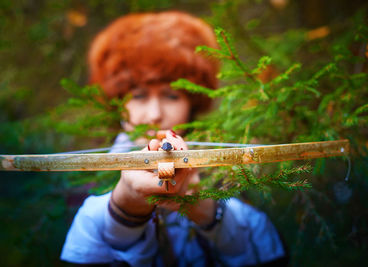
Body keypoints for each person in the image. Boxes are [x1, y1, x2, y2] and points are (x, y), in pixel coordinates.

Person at [61, 11, 287, 266]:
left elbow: (264, 251)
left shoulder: (228, 174)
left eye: (171, 96)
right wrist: (124, 208)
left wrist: (208, 210)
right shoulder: (86, 179)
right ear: (117, 101)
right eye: (138, 96)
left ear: (192, 102)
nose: (155, 115)